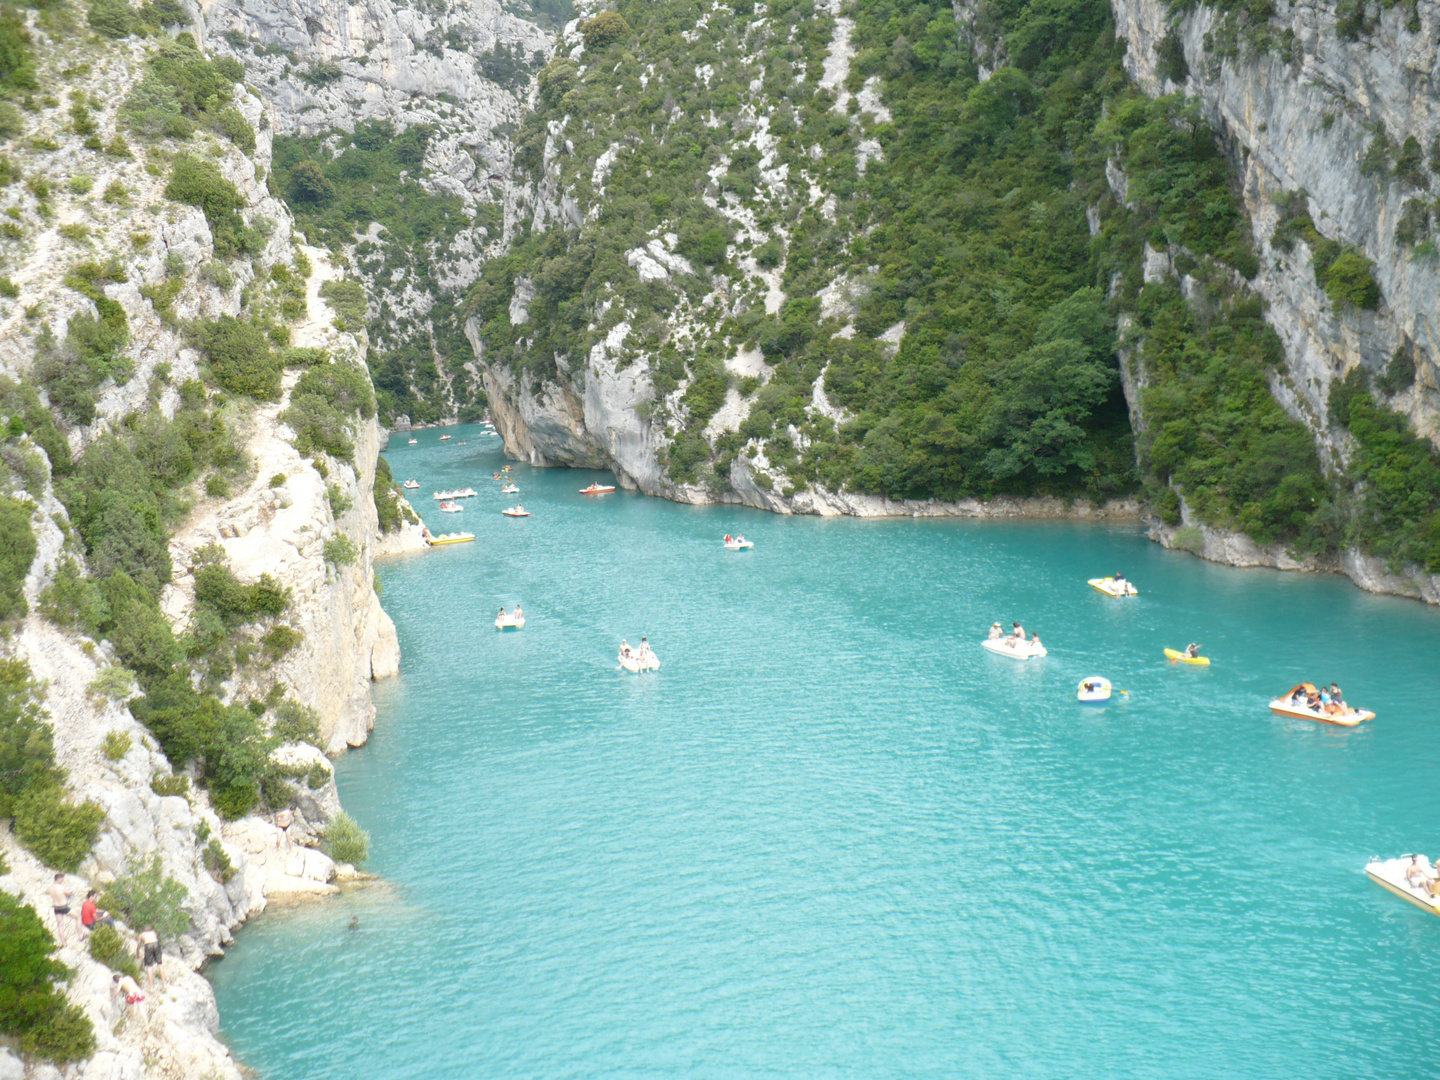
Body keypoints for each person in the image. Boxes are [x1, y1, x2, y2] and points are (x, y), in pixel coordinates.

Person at [46, 874, 74, 945]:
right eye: (62, 880)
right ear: (58, 879)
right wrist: (71, 892)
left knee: (60, 925)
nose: (62, 881)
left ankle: (63, 942)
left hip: (56, 908)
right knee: (78, 917)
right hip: (64, 907)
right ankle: (80, 935)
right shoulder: (60, 887)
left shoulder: (50, 888)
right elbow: (68, 894)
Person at [137, 927, 165, 992]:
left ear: (143, 930)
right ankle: (164, 985)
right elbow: (156, 939)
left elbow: (138, 946)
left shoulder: (141, 935)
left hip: (148, 945)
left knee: (149, 966)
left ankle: (151, 988)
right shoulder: (153, 933)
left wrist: (138, 955)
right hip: (156, 944)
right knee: (159, 964)